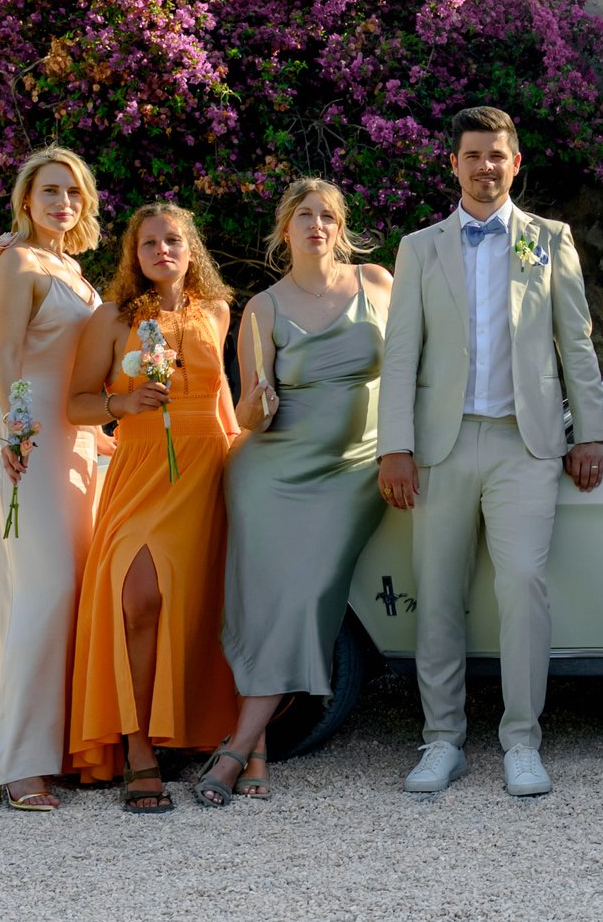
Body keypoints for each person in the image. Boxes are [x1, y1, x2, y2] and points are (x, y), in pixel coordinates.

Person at [378, 106, 603, 800]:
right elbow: (400, 355)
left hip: (525, 442)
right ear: (454, 163)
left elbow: (576, 341)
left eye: (497, 155)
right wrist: (396, 445)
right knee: (440, 593)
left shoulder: (550, 238)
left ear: (516, 163)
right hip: (441, 446)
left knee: (521, 586)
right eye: (473, 154)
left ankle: (522, 740)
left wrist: (589, 429)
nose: (486, 166)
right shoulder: (419, 248)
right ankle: (442, 739)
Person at [199, 179, 393, 806]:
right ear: (285, 228)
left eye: (328, 215)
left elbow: (420, 368)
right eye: (304, 215)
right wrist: (255, 402)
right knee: (263, 603)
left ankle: (234, 748)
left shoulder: (378, 284)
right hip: (271, 472)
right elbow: (249, 416)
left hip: (355, 470)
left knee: (308, 594)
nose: (317, 225)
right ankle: (252, 751)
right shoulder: (263, 307)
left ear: (341, 227)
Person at [64, 201, 240, 808]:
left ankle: (193, 730)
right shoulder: (112, 318)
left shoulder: (217, 311)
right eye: (149, 244)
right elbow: (78, 403)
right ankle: (137, 747)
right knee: (137, 598)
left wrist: (242, 456)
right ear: (133, 256)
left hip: (204, 470)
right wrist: (122, 407)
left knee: (196, 605)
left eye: (172, 241)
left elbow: (220, 403)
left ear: (191, 251)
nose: (162, 251)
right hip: (141, 471)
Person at [0, 147, 106, 811]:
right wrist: (16, 431)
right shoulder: (16, 263)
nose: (62, 203)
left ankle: (68, 743)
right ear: (26, 199)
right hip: (33, 437)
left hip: (81, 442)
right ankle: (21, 762)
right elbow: (7, 357)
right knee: (45, 586)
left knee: (80, 586)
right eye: (50, 191)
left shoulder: (74, 270)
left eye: (73, 193)